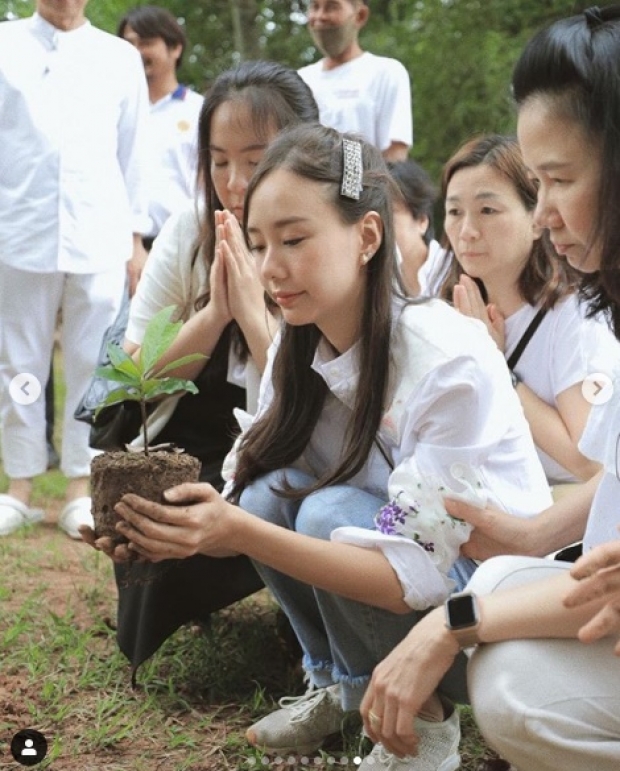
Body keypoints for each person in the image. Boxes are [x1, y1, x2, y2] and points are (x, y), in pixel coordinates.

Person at [89, 123, 553, 768]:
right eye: (257, 245)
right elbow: (242, 505)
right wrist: (163, 525)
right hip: (425, 593)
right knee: (263, 492)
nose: (270, 268)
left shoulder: (445, 357)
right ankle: (347, 687)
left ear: (366, 236)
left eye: (294, 239)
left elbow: (407, 576)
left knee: (327, 513)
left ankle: (420, 725)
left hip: (498, 618)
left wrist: (241, 532)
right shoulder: (296, 349)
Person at [359, 8, 620, 770]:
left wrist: (452, 621)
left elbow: (583, 455)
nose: (546, 214)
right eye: (456, 213)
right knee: (498, 574)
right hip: (568, 549)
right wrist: (530, 538)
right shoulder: (443, 300)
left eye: (558, 182)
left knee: (512, 685)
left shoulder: (570, 318)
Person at [83, 60, 321, 675]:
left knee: (285, 503)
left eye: (256, 157)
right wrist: (215, 314)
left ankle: (312, 618)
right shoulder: (190, 232)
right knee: (159, 529)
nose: (235, 181)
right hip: (197, 444)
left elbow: (312, 409)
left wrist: (254, 313)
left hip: (295, 448)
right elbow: (133, 376)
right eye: (218, 160)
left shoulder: (326, 240)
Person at [0, 0, 150, 539]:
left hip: (99, 230)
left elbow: (134, 152)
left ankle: (78, 488)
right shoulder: (4, 45)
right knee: (19, 364)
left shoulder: (118, 57)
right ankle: (18, 483)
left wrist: (135, 237)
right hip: (16, 229)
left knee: (92, 364)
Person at [439, 134, 620, 490]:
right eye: (454, 212)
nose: (467, 231)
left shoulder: (575, 315)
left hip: (560, 515)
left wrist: (496, 365)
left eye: (487, 210)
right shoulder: (447, 307)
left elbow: (589, 462)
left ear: (536, 219)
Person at [118, 5, 204, 247]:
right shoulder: (111, 111)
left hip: (184, 245)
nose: (135, 52)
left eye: (145, 42)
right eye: (128, 43)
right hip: (119, 246)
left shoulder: (201, 110)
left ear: (175, 47)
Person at [298, 0, 412, 161]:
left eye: (332, 7)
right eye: (315, 7)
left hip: (370, 184)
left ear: (360, 16)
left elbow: (396, 154)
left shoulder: (386, 72)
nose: (320, 16)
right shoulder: (300, 80)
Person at [387, 159, 446, 297]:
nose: (380, 228)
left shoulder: (453, 270)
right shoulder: (372, 280)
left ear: (422, 221)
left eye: (389, 216)